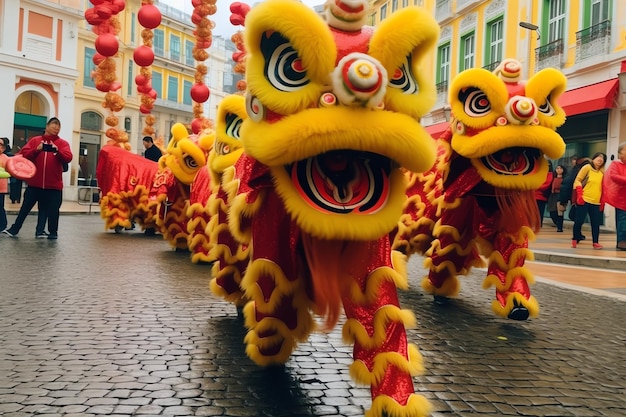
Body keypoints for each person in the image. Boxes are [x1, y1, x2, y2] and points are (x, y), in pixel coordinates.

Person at [2, 117, 72, 239]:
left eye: (58, 125)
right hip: (34, 184)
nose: (56, 127)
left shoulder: (62, 143)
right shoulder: (35, 141)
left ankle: (51, 232)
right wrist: (36, 150)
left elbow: (68, 157)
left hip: (54, 185)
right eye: (54, 124)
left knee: (53, 211)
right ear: (47, 126)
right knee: (25, 208)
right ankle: (14, 229)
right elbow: (23, 155)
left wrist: (57, 151)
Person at [571, 152, 606, 249]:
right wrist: (579, 194)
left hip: (596, 202)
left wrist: (603, 200)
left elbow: (604, 187)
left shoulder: (602, 172)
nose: (600, 159)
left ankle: (595, 242)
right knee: (579, 221)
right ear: (593, 158)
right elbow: (577, 180)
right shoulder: (587, 168)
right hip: (584, 199)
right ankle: (574, 239)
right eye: (598, 157)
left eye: (602, 158)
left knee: (595, 223)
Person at [602, 142, 626, 251]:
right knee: (622, 220)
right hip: (621, 198)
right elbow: (614, 176)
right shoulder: (616, 165)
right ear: (619, 153)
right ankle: (621, 242)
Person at [548, 163, 567, 232]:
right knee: (552, 211)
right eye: (557, 168)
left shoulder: (565, 178)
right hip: (553, 195)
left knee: (560, 212)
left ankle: (560, 227)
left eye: (560, 168)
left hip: (561, 195)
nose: (559, 170)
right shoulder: (553, 177)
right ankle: (557, 223)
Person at [535, 160, 553, 227]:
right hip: (534, 195)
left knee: (539, 212)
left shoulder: (549, 174)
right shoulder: (539, 172)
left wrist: (535, 187)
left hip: (541, 196)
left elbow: (546, 185)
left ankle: (539, 224)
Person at [0, 138, 10, 231]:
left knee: (0, 207)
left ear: (3, 148)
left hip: (1, 188)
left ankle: (2, 225)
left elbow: (10, 171)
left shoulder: (6, 159)